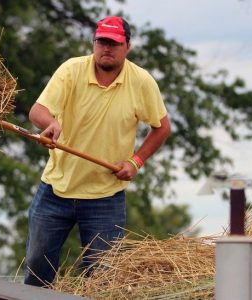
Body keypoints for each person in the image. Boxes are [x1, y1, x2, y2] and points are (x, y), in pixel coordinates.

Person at [24, 16, 171, 287]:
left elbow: (161, 127)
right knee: (35, 267)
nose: (107, 48)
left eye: (114, 43)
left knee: (103, 280)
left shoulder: (141, 82)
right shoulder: (71, 70)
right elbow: (37, 111)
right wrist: (51, 124)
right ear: (94, 43)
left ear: (128, 46)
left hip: (105, 197)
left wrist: (136, 162)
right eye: (102, 42)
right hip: (56, 189)